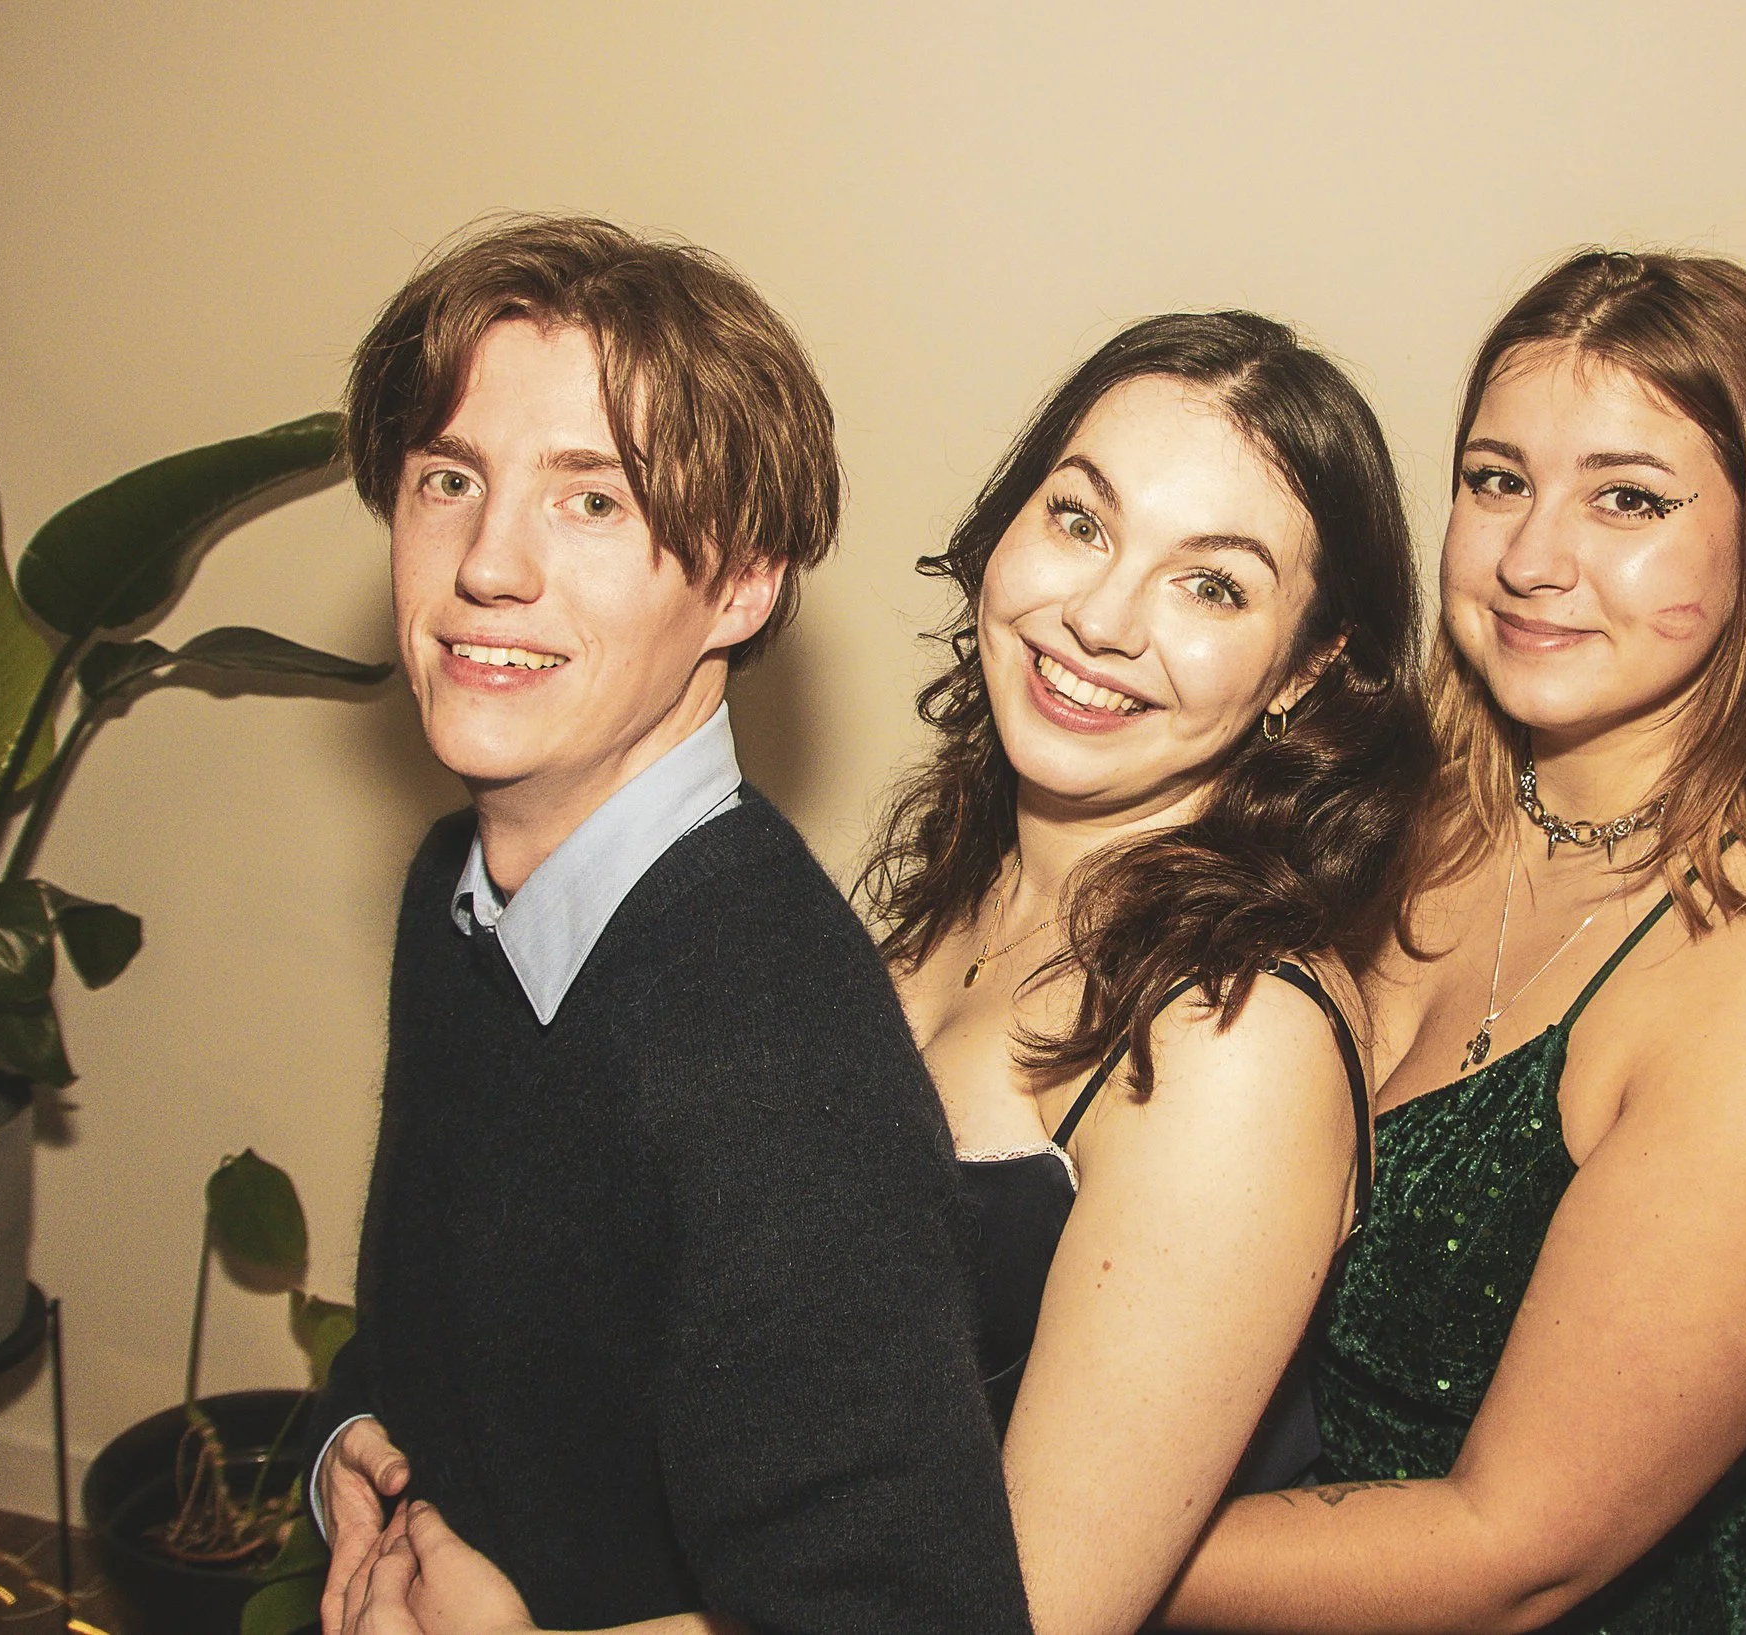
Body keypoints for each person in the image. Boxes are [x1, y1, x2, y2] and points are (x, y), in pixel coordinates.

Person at [359, 311, 1433, 1635]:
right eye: (1080, 520)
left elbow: (1022, 1611)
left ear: (1309, 668)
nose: (1099, 616)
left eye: (1211, 585)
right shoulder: (955, 894)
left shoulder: (1234, 1042)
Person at [1155, 250, 1746, 1633]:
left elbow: (1517, 1553)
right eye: (1496, 480)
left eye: (1628, 499)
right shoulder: (1393, 813)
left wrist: (1016, 1529)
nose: (1532, 559)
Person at [306, 215, 1033, 1635]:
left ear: (744, 582)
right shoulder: (460, 893)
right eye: (450, 479)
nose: (487, 564)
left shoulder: (770, 1052)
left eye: (593, 501)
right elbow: (455, 1340)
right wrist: (356, 1446)